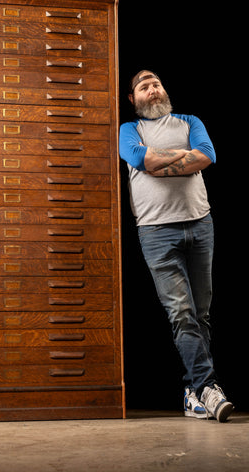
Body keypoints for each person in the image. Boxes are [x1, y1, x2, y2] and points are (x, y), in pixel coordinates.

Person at [119, 70, 234, 422]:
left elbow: (207, 155)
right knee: (180, 313)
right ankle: (210, 389)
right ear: (133, 99)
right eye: (144, 86)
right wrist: (182, 158)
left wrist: (161, 160)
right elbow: (142, 161)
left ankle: (191, 392)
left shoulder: (189, 121)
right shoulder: (129, 131)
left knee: (200, 314)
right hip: (155, 231)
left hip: (201, 224)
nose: (152, 89)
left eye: (156, 83)